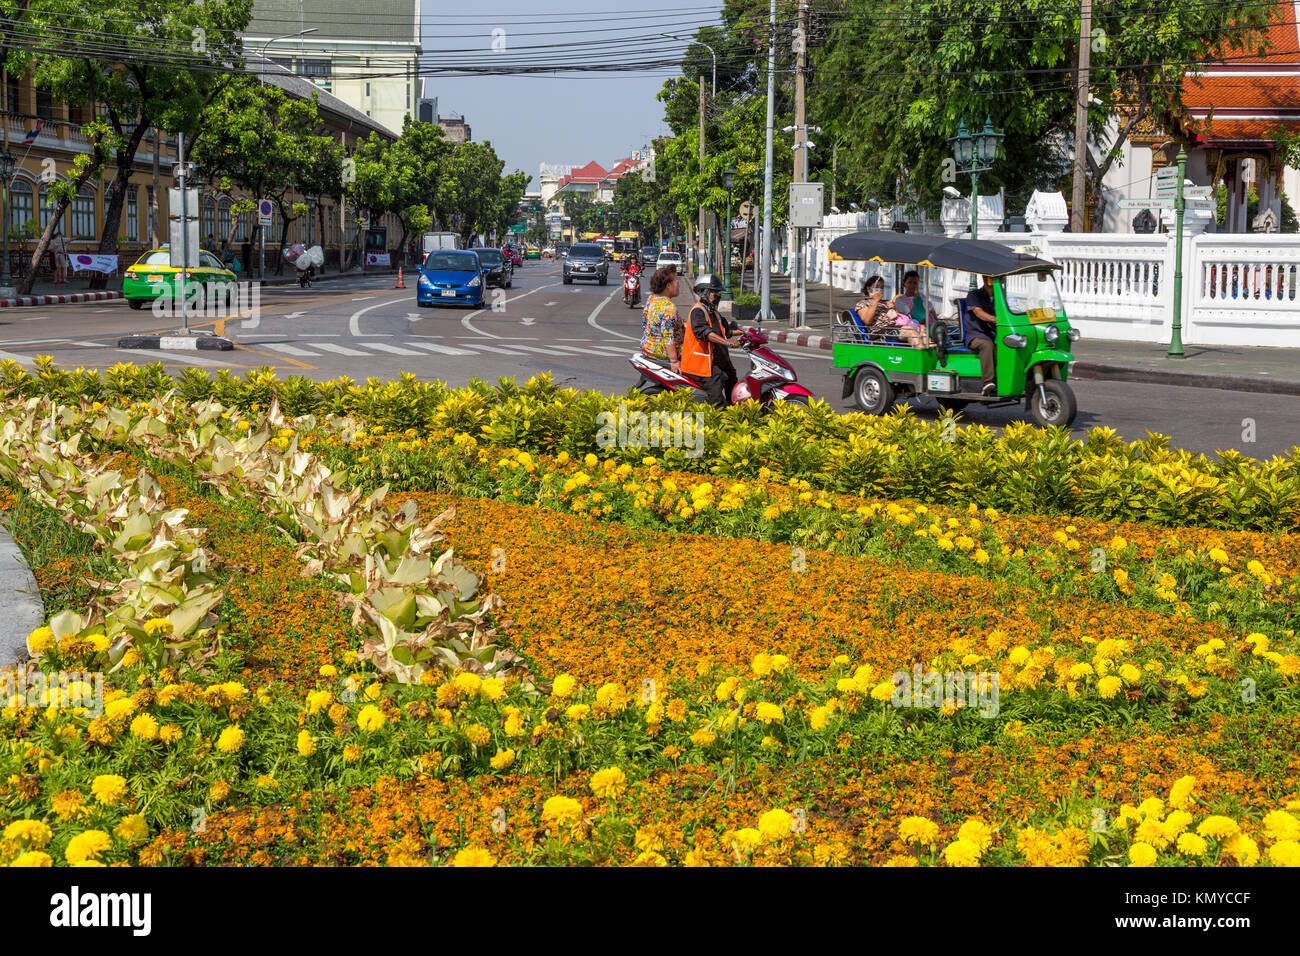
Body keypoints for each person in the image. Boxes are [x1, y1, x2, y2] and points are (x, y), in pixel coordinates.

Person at [680, 273, 740, 407]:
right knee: (716, 395)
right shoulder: (698, 311)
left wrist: (746, 333)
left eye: (718, 292)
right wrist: (728, 343)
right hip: (701, 364)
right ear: (704, 292)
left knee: (732, 377)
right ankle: (719, 420)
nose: (718, 295)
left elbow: (726, 330)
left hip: (717, 360)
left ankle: (734, 412)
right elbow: (706, 333)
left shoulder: (713, 312)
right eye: (714, 292)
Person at [640, 266, 683, 372]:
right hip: (661, 352)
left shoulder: (652, 299)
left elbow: (644, 323)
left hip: (647, 347)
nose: (678, 284)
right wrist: (674, 361)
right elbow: (667, 336)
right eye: (676, 281)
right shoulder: (668, 308)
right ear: (668, 286)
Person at [963, 274, 999, 395]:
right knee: (987, 345)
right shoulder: (973, 295)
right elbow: (978, 312)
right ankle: (988, 382)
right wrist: (994, 319)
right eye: (988, 277)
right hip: (976, 335)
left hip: (993, 334)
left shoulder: (1000, 296)